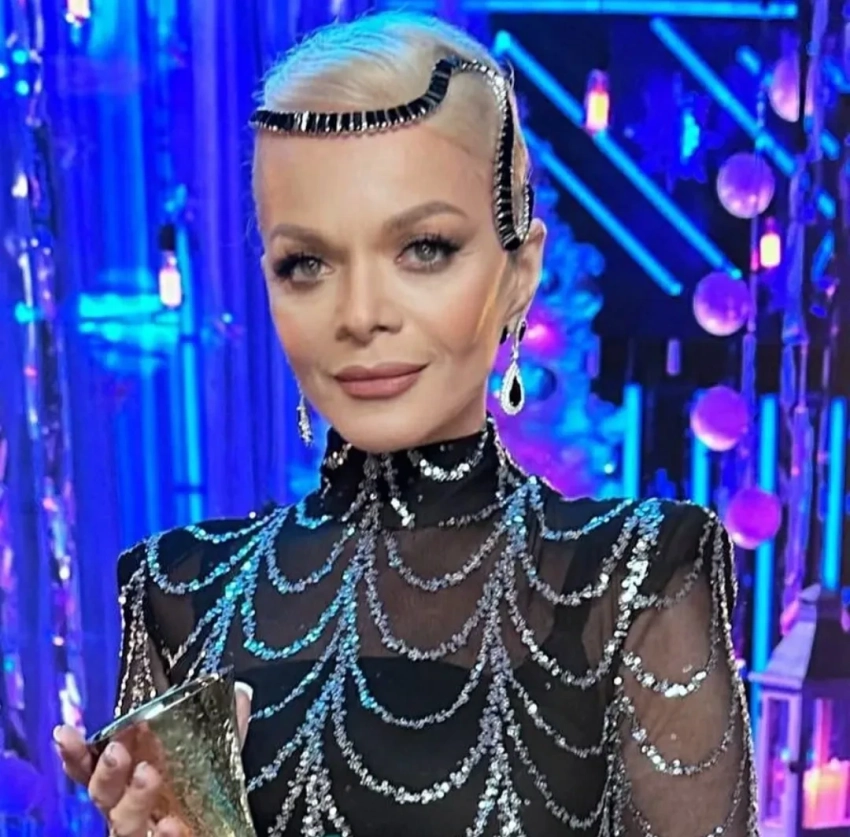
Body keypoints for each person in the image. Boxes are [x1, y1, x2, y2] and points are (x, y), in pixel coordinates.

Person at [55, 10, 756, 837]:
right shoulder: (180, 590)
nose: (360, 314)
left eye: (424, 248)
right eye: (306, 263)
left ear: (519, 272)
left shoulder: (637, 574)